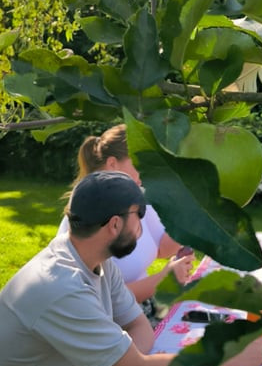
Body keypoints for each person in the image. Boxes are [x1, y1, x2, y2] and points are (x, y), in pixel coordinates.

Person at [0, 171, 262, 366]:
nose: (141, 227)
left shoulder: (95, 260)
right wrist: (231, 358)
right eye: (139, 215)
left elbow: (138, 326)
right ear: (114, 224)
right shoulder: (61, 287)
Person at [57, 124, 193, 326]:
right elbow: (98, 302)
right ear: (113, 164)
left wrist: (190, 215)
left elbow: (162, 248)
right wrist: (163, 280)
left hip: (143, 313)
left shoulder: (135, 198)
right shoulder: (91, 218)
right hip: (112, 328)